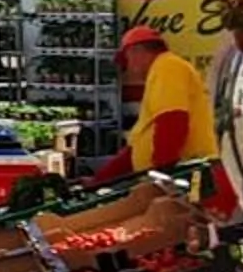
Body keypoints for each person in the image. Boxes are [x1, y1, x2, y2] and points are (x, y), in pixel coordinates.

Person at [91, 25, 222, 188]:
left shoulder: (167, 67)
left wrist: (162, 175)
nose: (128, 69)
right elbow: (133, 153)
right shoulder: (161, 71)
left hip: (188, 176)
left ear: (136, 51)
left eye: (126, 61)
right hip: (183, 176)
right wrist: (98, 181)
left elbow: (172, 122)